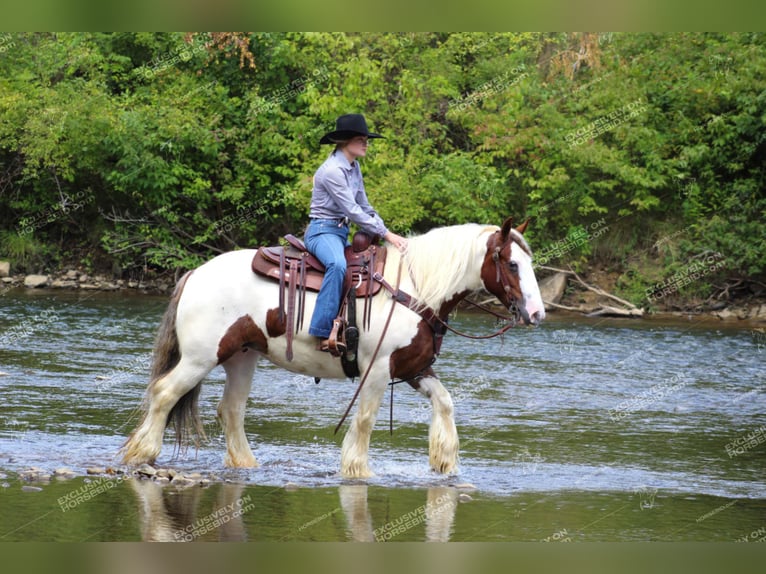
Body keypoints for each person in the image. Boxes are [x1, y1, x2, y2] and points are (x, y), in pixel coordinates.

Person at [306, 113, 407, 352]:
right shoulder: (332, 171)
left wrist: (382, 227)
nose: (366, 142)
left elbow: (365, 206)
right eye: (361, 139)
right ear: (345, 142)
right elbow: (351, 211)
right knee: (338, 265)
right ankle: (321, 331)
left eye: (366, 139)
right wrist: (388, 234)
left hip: (341, 233)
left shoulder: (354, 167)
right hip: (322, 231)